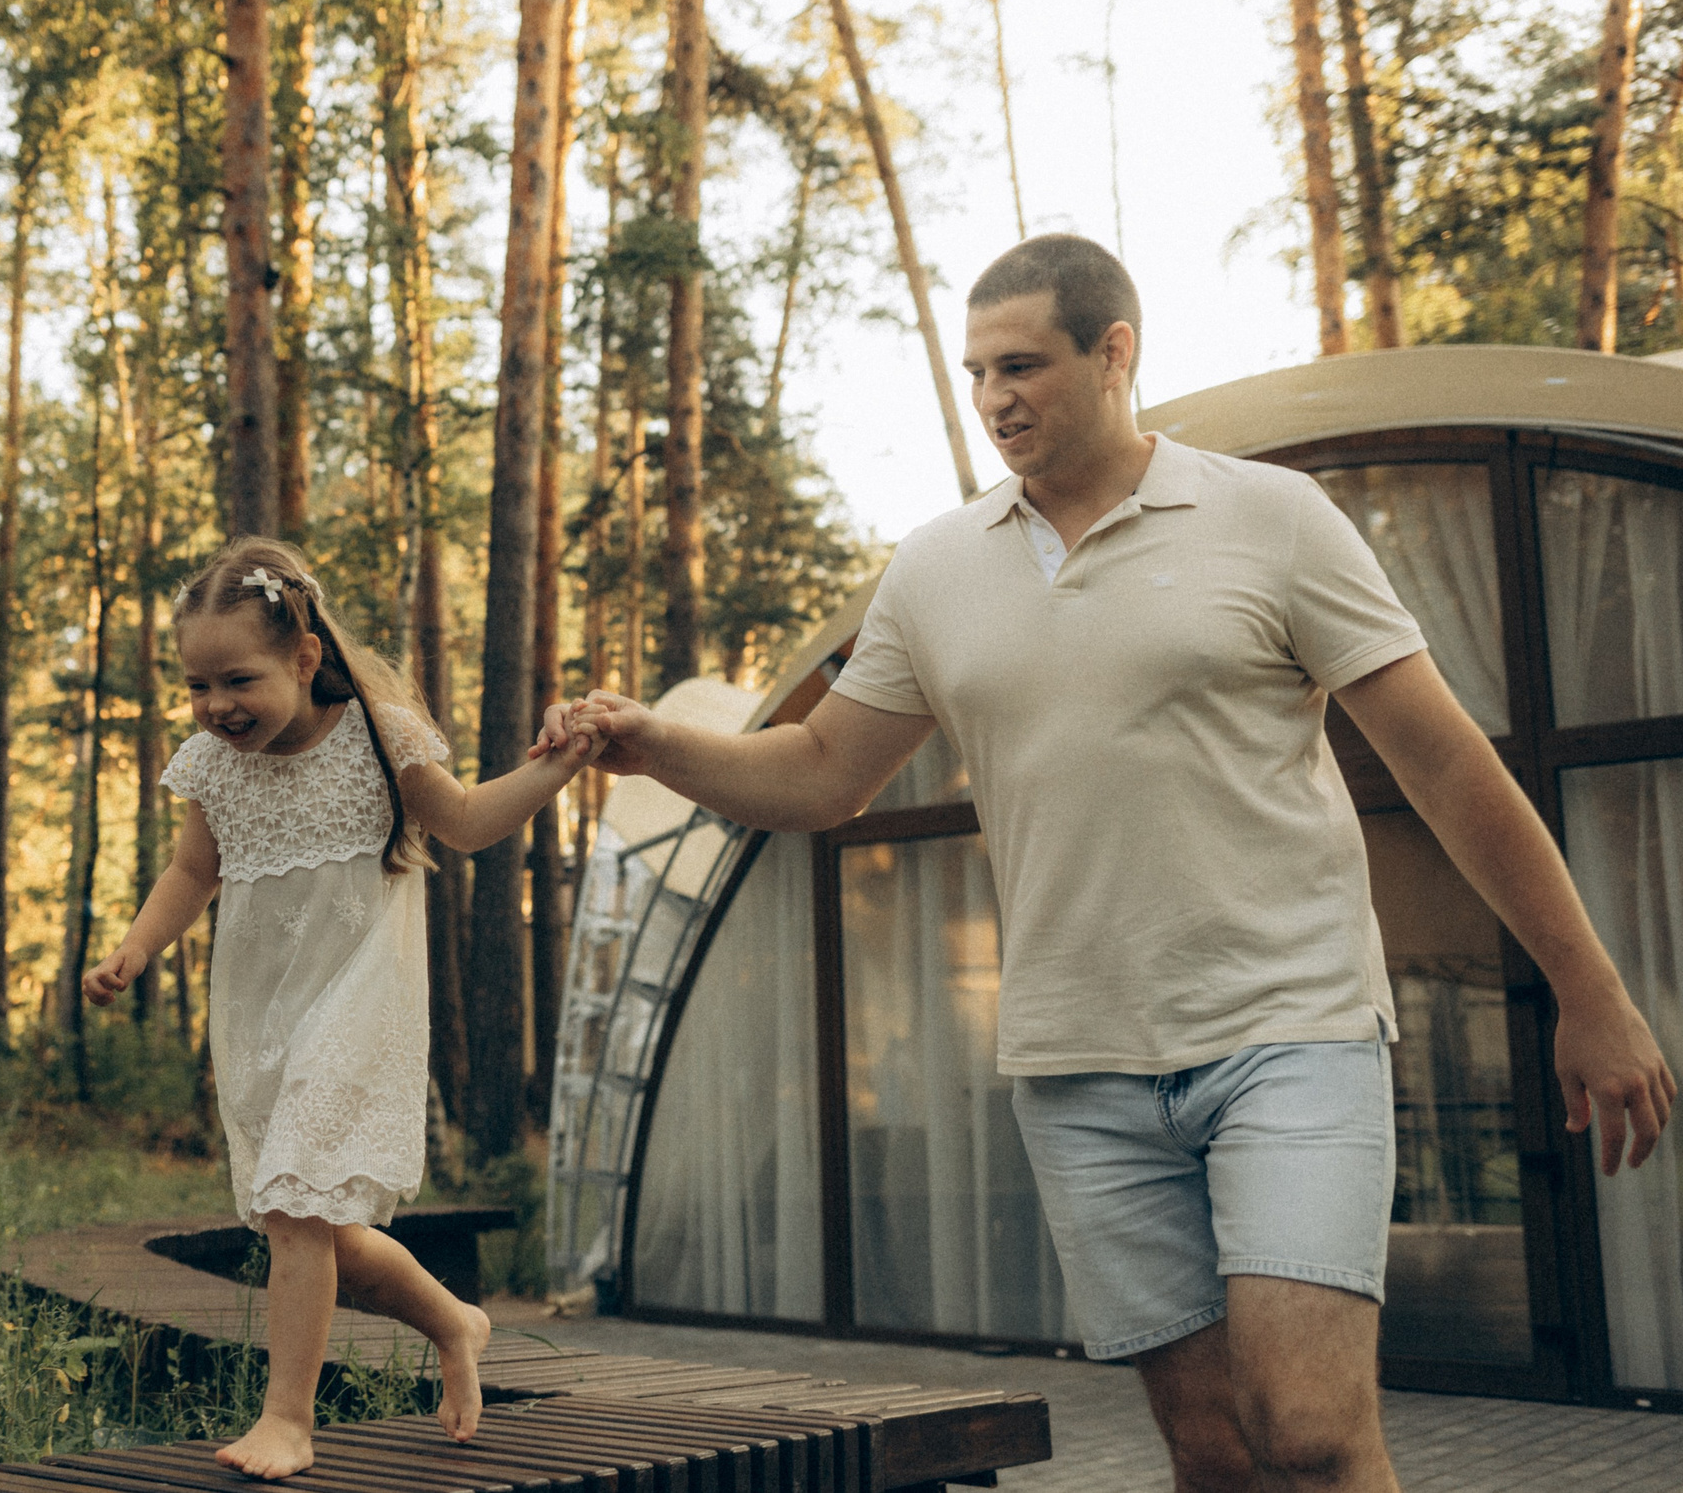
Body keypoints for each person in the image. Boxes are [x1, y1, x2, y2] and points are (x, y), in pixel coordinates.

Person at [543, 233, 1674, 1493]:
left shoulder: (1271, 519)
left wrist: (1591, 990)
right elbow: (820, 771)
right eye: (977, 373)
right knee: (1207, 1447)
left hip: (1286, 1032)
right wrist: (661, 747)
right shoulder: (935, 567)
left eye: (1021, 364)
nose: (994, 399)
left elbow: (1446, 767)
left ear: (1114, 351)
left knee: (1305, 1425)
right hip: (1077, 1064)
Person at [83, 536, 596, 1481]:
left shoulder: (378, 735)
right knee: (316, 1234)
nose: (215, 705)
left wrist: (558, 769)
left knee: (294, 1209)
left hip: (360, 1004)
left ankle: (288, 1418)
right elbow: (194, 869)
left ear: (305, 655)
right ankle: (455, 1319)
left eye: (236, 678)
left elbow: (473, 821)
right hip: (262, 1017)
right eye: (196, 685)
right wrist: (139, 945)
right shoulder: (213, 763)